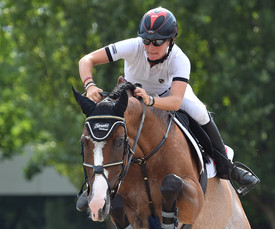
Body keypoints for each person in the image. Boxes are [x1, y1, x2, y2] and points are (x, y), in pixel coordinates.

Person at [76, 7, 259, 210]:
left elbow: (175, 102)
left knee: (199, 112)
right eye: (146, 41)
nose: (150, 47)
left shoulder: (180, 60)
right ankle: (92, 184)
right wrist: (89, 84)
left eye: (157, 42)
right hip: (132, 96)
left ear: (171, 40)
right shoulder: (133, 46)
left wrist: (151, 100)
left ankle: (227, 166)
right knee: (102, 123)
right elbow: (87, 60)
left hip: (168, 95)